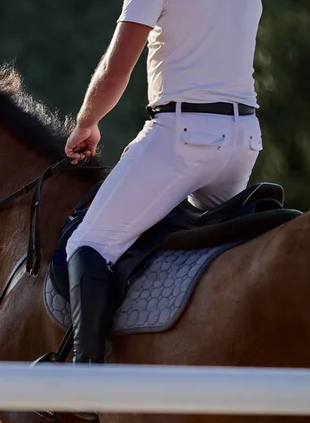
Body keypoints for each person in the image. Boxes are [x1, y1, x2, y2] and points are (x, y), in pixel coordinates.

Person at [65, 0, 264, 367]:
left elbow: (114, 71)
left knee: (88, 243)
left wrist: (86, 123)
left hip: (183, 135)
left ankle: (85, 379)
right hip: (244, 138)